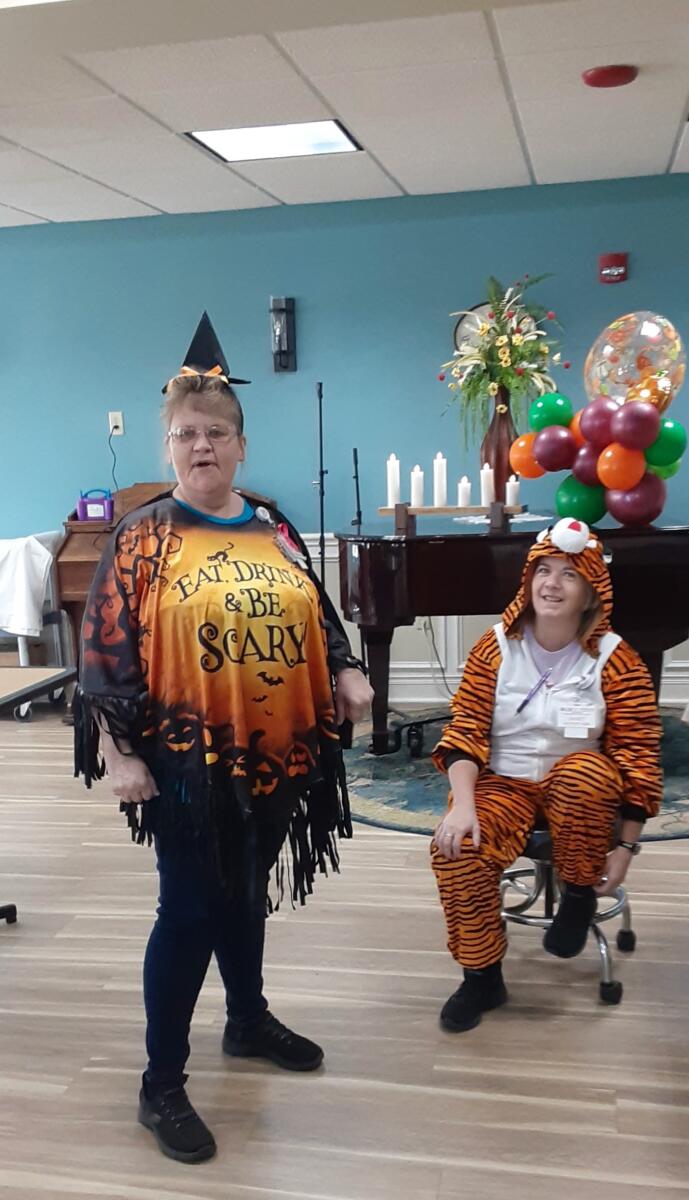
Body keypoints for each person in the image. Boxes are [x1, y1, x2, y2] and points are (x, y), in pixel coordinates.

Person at [74, 312, 372, 1163]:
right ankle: (160, 1085)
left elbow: (316, 609)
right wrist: (121, 753)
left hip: (278, 750)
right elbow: (103, 653)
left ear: (240, 445)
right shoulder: (142, 535)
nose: (200, 446)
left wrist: (346, 668)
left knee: (244, 892)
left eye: (215, 433)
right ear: (168, 447)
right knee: (189, 911)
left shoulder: (271, 524)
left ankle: (246, 1020)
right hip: (185, 762)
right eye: (185, 435)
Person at [431, 517, 662, 1033]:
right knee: (456, 849)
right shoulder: (494, 647)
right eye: (543, 571)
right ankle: (482, 976)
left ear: (591, 591)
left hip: (580, 792)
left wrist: (625, 849)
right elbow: (465, 731)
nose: (552, 584)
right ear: (528, 579)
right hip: (503, 784)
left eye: (569, 574)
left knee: (585, 773)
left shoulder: (617, 659)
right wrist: (463, 806)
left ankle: (578, 895)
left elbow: (639, 757)